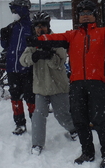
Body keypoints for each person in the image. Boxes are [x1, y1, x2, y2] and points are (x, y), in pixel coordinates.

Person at [32, 0, 105, 168]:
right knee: (80, 120)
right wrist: (38, 40)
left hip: (97, 83)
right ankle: (87, 152)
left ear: (94, 15)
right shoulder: (72, 36)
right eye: (82, 14)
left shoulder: (103, 33)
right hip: (76, 84)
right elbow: (54, 38)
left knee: (100, 120)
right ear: (78, 17)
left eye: (89, 13)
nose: (85, 16)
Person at [20, 11, 77, 155]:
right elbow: (23, 60)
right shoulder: (34, 42)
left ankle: (74, 130)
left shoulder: (56, 40)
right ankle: (37, 144)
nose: (40, 29)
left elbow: (59, 63)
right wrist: (35, 56)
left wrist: (49, 55)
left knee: (62, 114)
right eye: (37, 26)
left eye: (43, 26)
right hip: (41, 87)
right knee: (38, 115)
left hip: (58, 86)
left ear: (48, 26)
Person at [0, 0, 35, 135]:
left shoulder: (31, 27)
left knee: (30, 97)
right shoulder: (12, 27)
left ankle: (35, 122)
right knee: (15, 97)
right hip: (12, 68)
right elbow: (5, 46)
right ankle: (19, 123)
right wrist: (3, 36)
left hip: (27, 69)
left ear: (22, 10)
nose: (13, 13)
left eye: (15, 10)